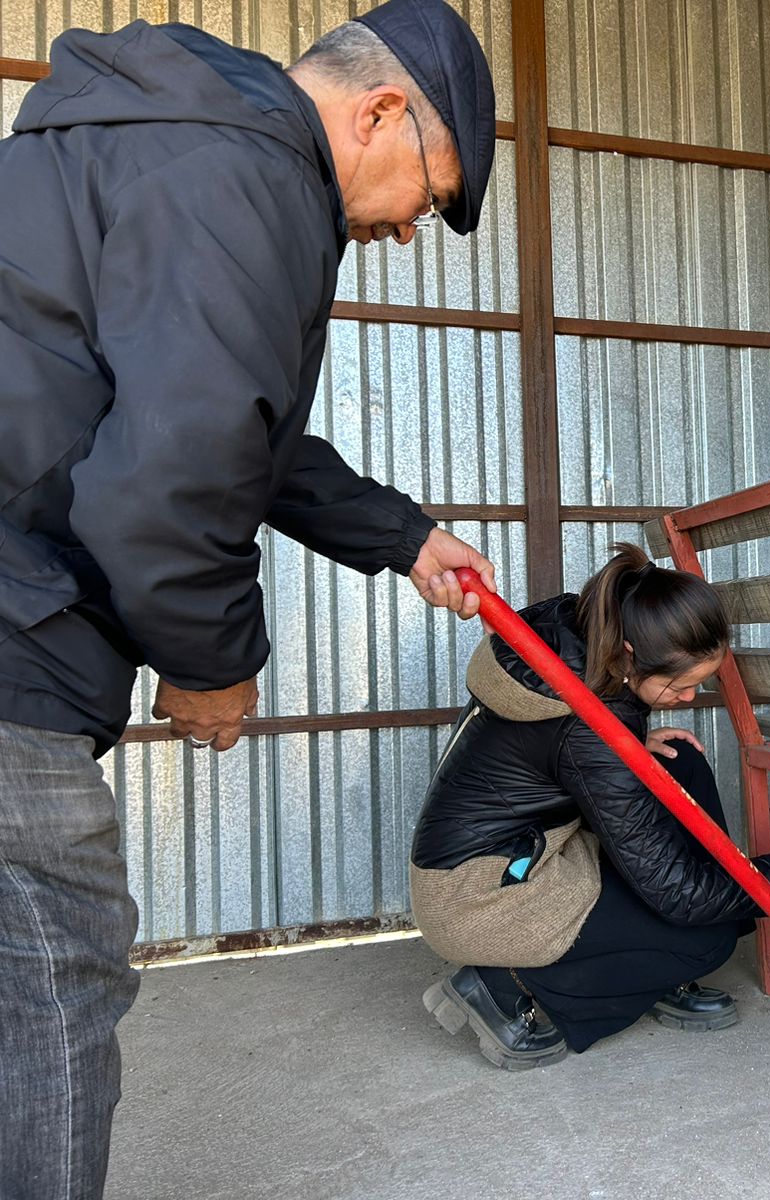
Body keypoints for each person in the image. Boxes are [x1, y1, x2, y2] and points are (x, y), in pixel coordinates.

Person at [0, 2, 503, 1195]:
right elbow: (179, 465)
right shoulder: (255, 178)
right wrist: (212, 661)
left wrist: (405, 534)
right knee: (51, 992)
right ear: (381, 112)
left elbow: (228, 425)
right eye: (429, 195)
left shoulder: (144, 132)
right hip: (14, 634)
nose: (406, 232)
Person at [411, 544, 770, 1069]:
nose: (692, 698)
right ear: (630, 652)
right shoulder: (586, 725)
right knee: (706, 939)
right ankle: (502, 984)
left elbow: (559, 750)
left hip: (526, 848)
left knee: (682, 767)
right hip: (482, 897)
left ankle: (650, 962)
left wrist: (623, 749)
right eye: (682, 684)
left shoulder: (580, 644)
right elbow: (680, 895)